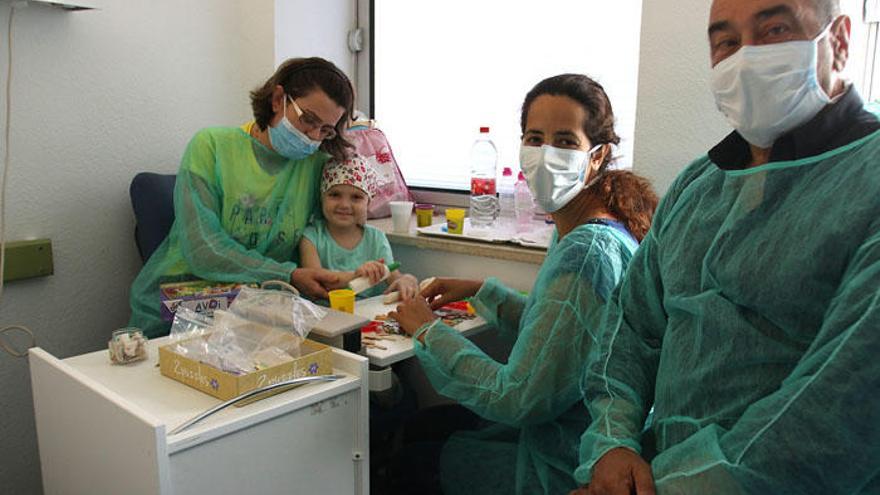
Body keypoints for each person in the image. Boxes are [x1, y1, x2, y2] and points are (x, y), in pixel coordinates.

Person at [572, 1, 880, 494]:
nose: (747, 59)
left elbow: (843, 407)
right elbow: (630, 328)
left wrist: (678, 487)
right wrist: (613, 443)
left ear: (839, 41)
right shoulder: (700, 184)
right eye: (727, 42)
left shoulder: (867, 180)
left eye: (775, 29)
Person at [388, 74, 659, 495]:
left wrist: (428, 330)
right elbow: (562, 333)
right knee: (424, 425)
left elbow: (520, 397)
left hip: (564, 461)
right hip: (562, 428)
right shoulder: (582, 226)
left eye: (566, 142)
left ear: (598, 155)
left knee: (408, 459)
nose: (545, 154)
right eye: (534, 138)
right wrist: (483, 291)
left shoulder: (587, 251)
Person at [129, 57, 355, 338]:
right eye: (308, 119)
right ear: (278, 99)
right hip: (184, 304)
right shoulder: (211, 147)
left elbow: (329, 235)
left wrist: (386, 276)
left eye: (325, 130)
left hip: (265, 307)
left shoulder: (314, 165)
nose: (312, 136)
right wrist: (288, 275)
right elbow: (205, 250)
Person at [298, 156, 419, 299]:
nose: (344, 205)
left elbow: (393, 276)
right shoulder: (311, 237)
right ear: (321, 198)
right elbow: (316, 281)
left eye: (356, 197)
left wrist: (406, 280)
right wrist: (356, 275)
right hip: (325, 315)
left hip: (367, 316)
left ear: (368, 203)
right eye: (335, 195)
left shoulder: (376, 238)